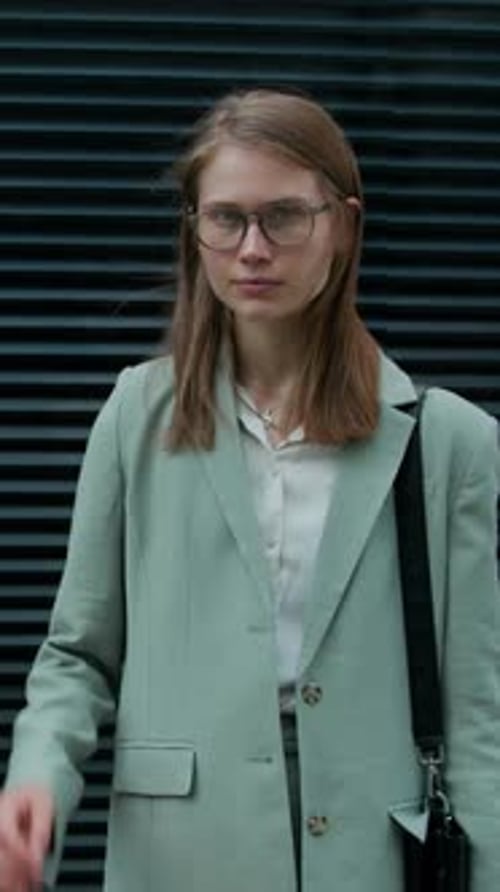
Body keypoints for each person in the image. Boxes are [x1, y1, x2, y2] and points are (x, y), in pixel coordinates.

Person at [0, 88, 499, 892]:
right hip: (183, 852)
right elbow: (78, 655)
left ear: (341, 223)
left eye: (284, 217)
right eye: (225, 218)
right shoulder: (137, 415)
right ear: (195, 230)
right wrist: (36, 781)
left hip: (375, 851)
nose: (252, 247)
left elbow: (479, 711)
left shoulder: (450, 442)